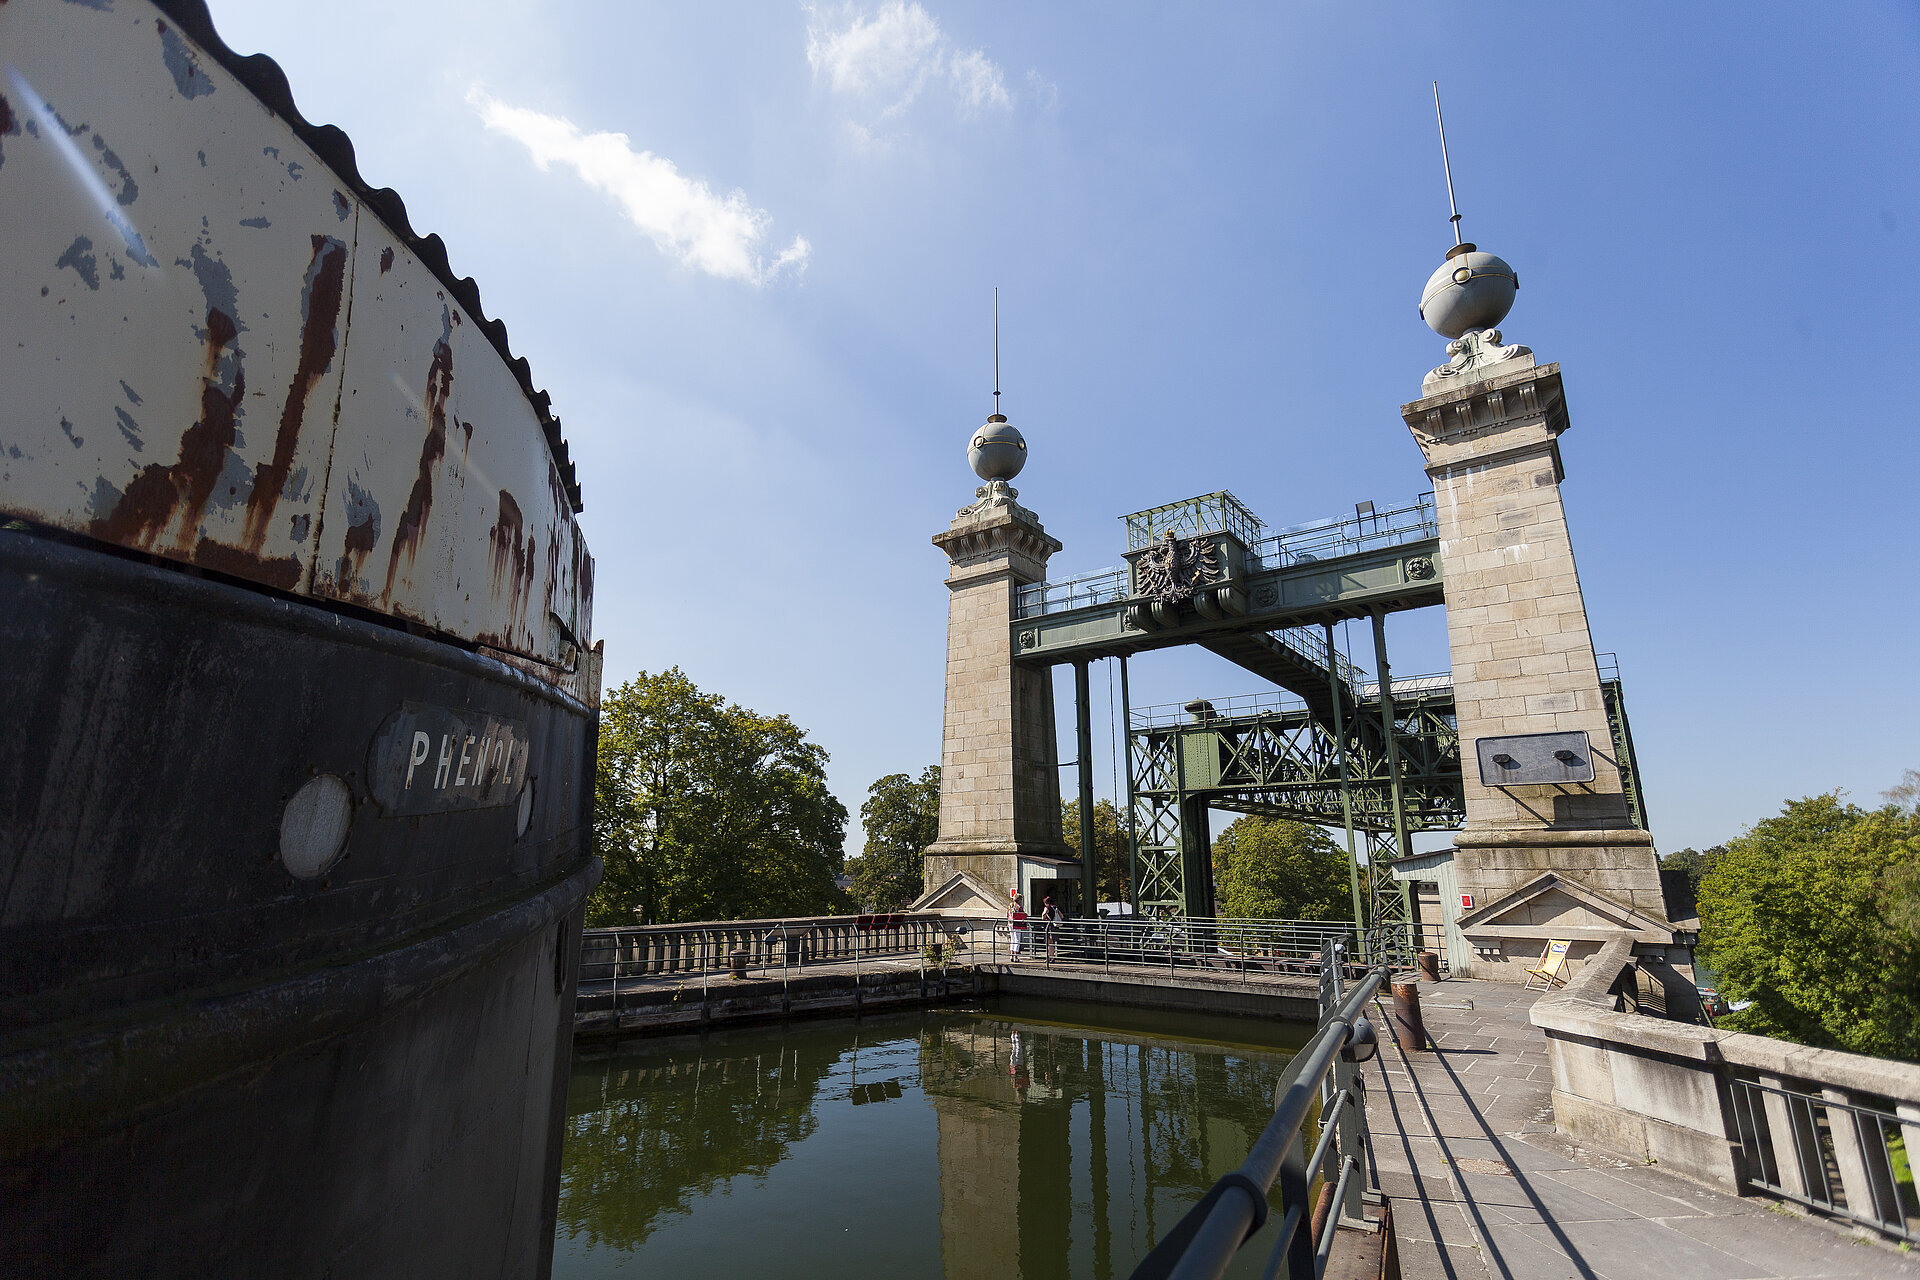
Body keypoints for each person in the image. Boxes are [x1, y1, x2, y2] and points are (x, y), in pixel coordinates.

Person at [1040, 895, 1064, 961]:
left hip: (1049, 926)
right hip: (1055, 926)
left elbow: (1043, 915)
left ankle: (1050, 957)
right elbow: (1062, 916)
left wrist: (1044, 918)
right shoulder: (1055, 907)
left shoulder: (1047, 907)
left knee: (1049, 942)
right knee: (1052, 943)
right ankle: (1052, 957)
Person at [1007, 892, 1028, 960]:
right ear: (1019, 900)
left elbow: (1007, 914)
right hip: (1017, 924)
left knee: (1012, 939)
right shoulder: (1019, 907)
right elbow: (1022, 915)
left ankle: (1011, 955)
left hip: (1010, 923)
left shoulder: (1010, 905)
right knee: (1017, 939)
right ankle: (1015, 956)